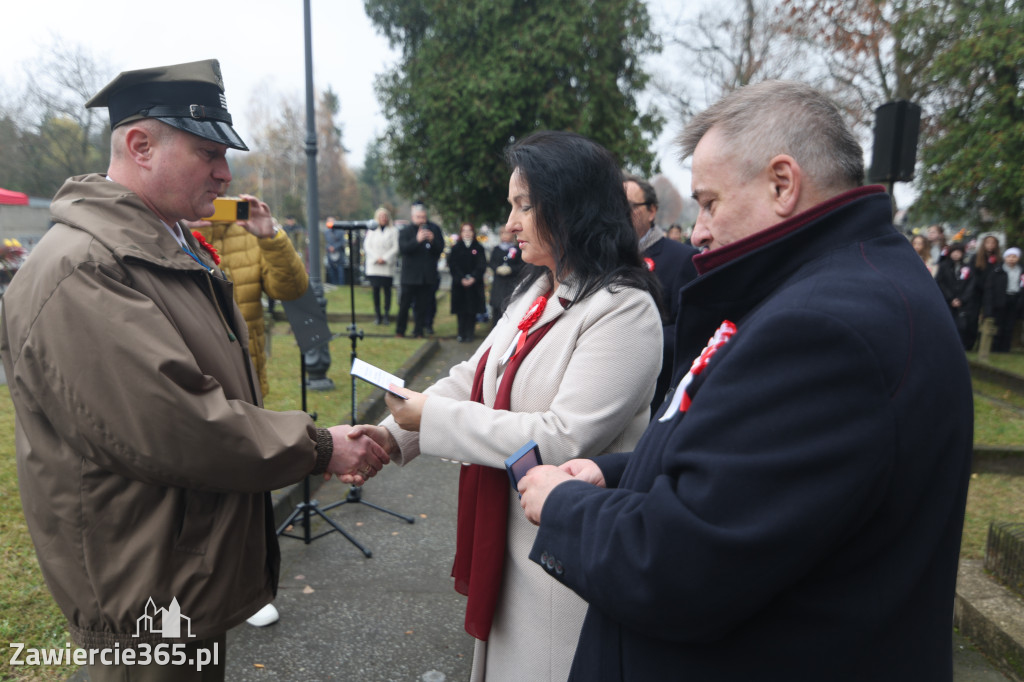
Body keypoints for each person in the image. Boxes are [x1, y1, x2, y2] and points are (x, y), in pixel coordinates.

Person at [518, 81, 974, 680]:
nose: (699, 231)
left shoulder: (824, 328)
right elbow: (758, 474)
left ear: (782, 184)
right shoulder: (832, 288)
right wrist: (620, 472)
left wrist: (564, 507)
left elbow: (682, 566)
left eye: (709, 202)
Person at [0, 59, 389, 681]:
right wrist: (318, 448)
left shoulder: (156, 244)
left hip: (175, 567)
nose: (225, 172)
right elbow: (176, 423)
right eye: (208, 152)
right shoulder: (86, 266)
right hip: (142, 585)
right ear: (140, 146)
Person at [353, 130, 663, 681]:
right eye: (510, 206)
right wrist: (391, 434)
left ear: (570, 207)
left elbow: (562, 438)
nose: (509, 224)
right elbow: (472, 376)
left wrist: (431, 418)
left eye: (524, 206)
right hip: (508, 544)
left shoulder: (624, 311)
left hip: (559, 565)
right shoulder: (536, 291)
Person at [186, 195, 308, 399]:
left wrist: (271, 238)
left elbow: (291, 290)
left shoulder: (248, 230)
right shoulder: (171, 230)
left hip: (247, 374)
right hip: (193, 377)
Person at [623, 173, 699, 414]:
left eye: (629, 206)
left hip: (655, 395)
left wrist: (629, 339)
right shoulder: (601, 258)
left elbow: (688, 329)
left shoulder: (681, 258)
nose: (620, 213)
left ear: (651, 211)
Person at [395, 203, 443, 337]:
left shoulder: (434, 230)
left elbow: (440, 249)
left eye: (423, 217)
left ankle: (419, 330)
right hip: (409, 276)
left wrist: (432, 241)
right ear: (413, 217)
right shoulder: (405, 231)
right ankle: (400, 330)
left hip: (426, 276)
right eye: (418, 217)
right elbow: (403, 249)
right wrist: (417, 240)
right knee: (404, 305)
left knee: (422, 306)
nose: (421, 220)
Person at [449, 222, 488, 342]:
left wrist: (473, 277)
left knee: (472, 310)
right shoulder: (456, 248)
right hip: (459, 285)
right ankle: (461, 333)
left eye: (469, 230)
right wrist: (461, 278)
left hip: (474, 284)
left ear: (473, 232)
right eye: (464, 231)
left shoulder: (478, 247)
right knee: (461, 310)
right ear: (461, 233)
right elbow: (453, 265)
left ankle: (470, 333)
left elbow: (481, 265)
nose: (467, 233)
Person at [935, 242, 978, 350]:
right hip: (947, 301)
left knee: (962, 326)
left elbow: (970, 285)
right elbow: (940, 282)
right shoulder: (944, 266)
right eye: (954, 252)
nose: (956, 254)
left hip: (962, 302)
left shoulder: (967, 267)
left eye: (958, 252)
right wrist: (951, 298)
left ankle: (960, 346)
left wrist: (962, 299)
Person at [983, 246, 1023, 353]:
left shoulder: (1021, 270)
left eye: (1014, 257)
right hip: (1000, 300)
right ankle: (995, 347)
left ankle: (1005, 348)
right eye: (1009, 256)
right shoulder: (998, 270)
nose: (1011, 259)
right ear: (1005, 258)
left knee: (1009, 325)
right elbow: (990, 287)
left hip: (1014, 299)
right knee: (998, 324)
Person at [364, 206, 399, 325]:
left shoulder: (393, 231)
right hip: (374, 266)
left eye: (385, 216)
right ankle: (378, 315)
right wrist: (376, 258)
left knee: (387, 291)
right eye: (381, 216)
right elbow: (367, 246)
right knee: (376, 291)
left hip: (387, 266)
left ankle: (386, 315)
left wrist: (385, 258)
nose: (383, 218)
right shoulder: (372, 230)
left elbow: (395, 247)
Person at [487, 224, 526, 326]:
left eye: (507, 233)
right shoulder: (496, 249)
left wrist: (511, 269)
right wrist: (497, 268)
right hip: (498, 284)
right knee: (497, 309)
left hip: (511, 284)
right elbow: (492, 263)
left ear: (513, 235)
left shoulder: (517, 250)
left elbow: (522, 265)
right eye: (502, 233)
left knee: (509, 308)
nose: (504, 235)